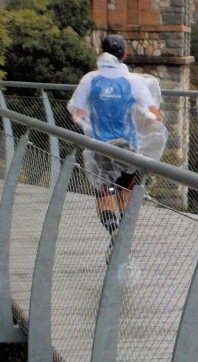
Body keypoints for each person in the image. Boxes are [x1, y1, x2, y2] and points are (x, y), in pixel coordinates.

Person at [68, 34, 165, 263]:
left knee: (104, 196)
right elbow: (154, 114)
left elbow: (76, 113)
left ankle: (114, 232)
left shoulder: (90, 80)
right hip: (127, 148)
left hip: (100, 148)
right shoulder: (134, 82)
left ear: (101, 53)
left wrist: (89, 123)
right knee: (124, 193)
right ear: (125, 55)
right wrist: (145, 119)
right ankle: (122, 244)